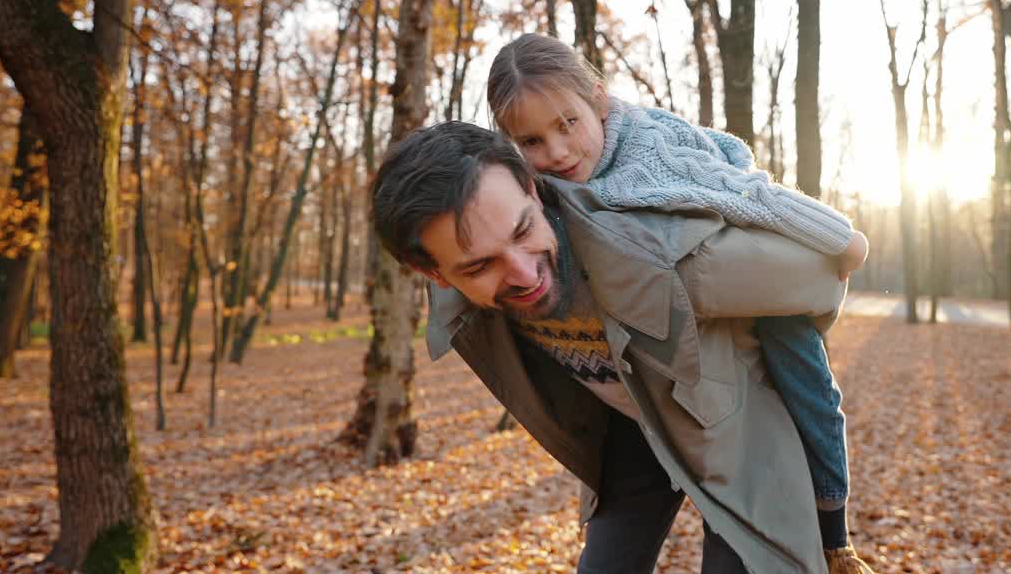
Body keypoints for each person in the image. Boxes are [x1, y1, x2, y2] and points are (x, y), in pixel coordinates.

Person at [372, 121, 876, 573]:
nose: (525, 275)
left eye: (524, 229)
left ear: (531, 187)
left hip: (741, 440)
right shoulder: (456, 303)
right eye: (480, 266)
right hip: (636, 434)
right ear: (433, 274)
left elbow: (819, 276)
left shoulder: (652, 253)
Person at [485, 33, 869, 568]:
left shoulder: (652, 160)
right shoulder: (534, 188)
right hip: (646, 393)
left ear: (597, 99)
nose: (557, 152)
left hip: (741, 254)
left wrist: (842, 240)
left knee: (804, 371)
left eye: (567, 124)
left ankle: (834, 529)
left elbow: (751, 195)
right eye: (531, 141)